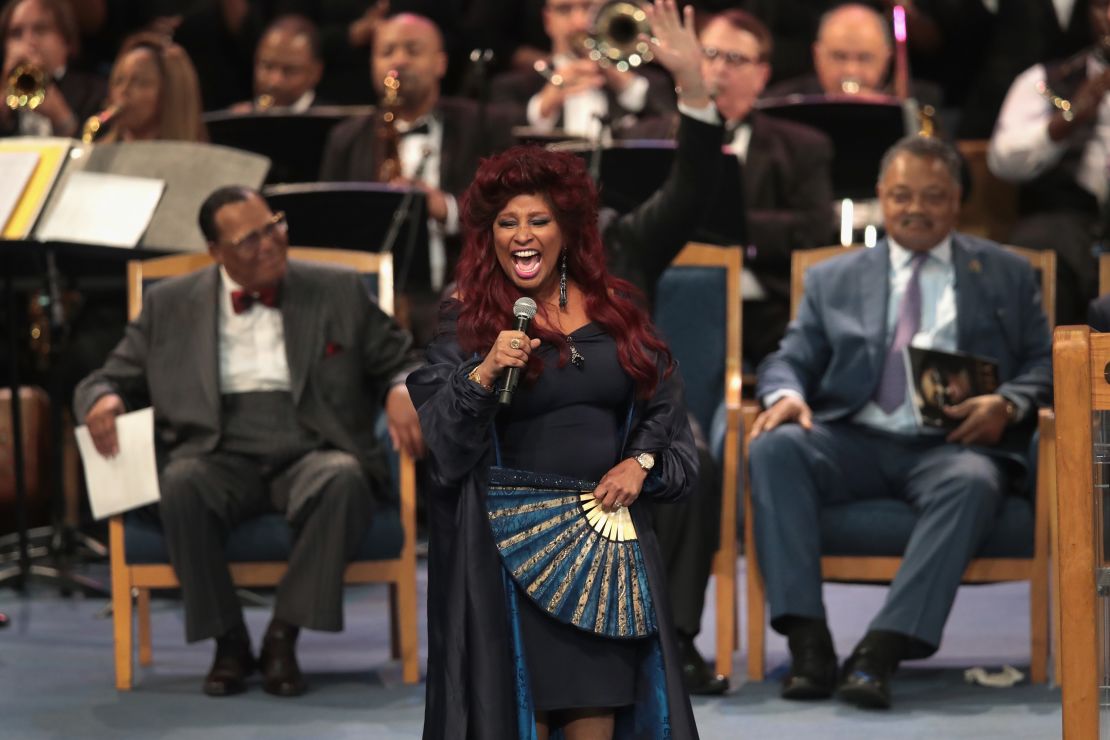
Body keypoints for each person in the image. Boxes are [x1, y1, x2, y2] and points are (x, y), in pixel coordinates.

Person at [74, 185, 424, 698]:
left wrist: (400, 388)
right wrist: (102, 400)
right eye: (248, 240)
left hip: (312, 447)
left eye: (273, 226)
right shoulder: (169, 304)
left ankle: (284, 634)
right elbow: (106, 378)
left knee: (345, 479)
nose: (269, 245)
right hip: (217, 453)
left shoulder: (338, 290)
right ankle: (229, 640)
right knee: (181, 482)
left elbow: (403, 361)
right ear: (216, 252)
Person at [747, 134, 1052, 709]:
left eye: (934, 196)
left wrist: (1008, 404)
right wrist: (785, 393)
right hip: (851, 437)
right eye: (902, 195)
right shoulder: (833, 278)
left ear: (957, 199)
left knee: (974, 481)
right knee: (773, 448)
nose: (917, 208)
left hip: (953, 446)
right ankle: (809, 643)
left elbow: (1046, 362)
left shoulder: (1007, 273)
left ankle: (879, 652)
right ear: (882, 198)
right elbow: (789, 357)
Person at [408, 148, 700, 740]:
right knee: (520, 718)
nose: (522, 236)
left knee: (597, 719)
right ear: (488, 234)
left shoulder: (617, 311)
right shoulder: (466, 320)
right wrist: (485, 371)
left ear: (566, 230)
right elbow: (445, 447)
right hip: (508, 560)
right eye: (506, 222)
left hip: (602, 552)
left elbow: (667, 419)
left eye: (538, 221)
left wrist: (640, 463)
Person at [320, 12, 516, 346]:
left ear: (440, 64)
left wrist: (446, 207)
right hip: (366, 304)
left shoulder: (484, 125)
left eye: (412, 50)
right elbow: (328, 230)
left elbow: (511, 211)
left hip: (462, 296)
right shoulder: (345, 138)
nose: (399, 60)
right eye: (387, 51)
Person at [986, 0, 1110, 327]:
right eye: (1102, 6)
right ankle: (1042, 371)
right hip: (1067, 217)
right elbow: (1002, 160)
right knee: (1036, 247)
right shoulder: (1046, 80)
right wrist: (1065, 121)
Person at [488, 0, 675, 141]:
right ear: (547, 20)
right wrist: (543, 106)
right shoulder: (511, 86)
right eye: (564, 10)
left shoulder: (646, 83)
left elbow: (674, 126)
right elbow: (495, 143)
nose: (579, 23)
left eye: (587, 8)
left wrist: (623, 82)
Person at [764, 3, 942, 108]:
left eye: (864, 58)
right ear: (817, 56)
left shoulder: (918, 102)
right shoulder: (779, 102)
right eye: (839, 56)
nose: (851, 69)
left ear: (887, 58)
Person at [0, 0, 106, 138]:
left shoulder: (95, 93)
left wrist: (63, 119)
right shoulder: (4, 96)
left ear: (66, 41)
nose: (28, 41)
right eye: (16, 33)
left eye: (40, 29)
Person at [96, 32, 206, 143]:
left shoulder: (201, 159)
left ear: (171, 94)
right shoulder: (97, 154)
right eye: (119, 80)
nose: (123, 90)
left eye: (140, 82)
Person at [229, 14, 324, 113]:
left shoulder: (332, 124)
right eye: (267, 66)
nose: (274, 81)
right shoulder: (236, 120)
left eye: (289, 70)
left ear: (316, 72)